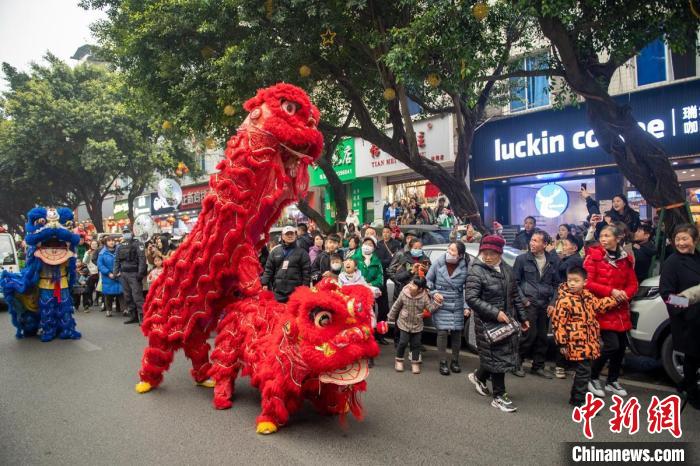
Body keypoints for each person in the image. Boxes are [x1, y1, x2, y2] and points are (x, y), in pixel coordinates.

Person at [465, 235, 528, 413]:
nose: (488, 256)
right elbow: (471, 298)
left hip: (506, 320)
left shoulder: (507, 269)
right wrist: (495, 313)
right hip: (487, 322)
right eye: (485, 252)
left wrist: (523, 319)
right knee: (498, 357)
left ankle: (479, 377)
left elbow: (515, 295)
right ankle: (499, 396)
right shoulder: (476, 270)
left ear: (499, 253)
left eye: (492, 253)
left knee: (495, 356)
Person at [550, 266, 618, 407]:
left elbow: (599, 305)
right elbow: (558, 323)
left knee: (583, 372)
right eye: (570, 280)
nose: (572, 283)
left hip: (589, 341)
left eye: (576, 280)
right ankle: (579, 401)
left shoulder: (588, 296)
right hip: (575, 343)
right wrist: (561, 344)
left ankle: (576, 398)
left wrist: (615, 300)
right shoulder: (564, 301)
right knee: (583, 372)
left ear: (585, 282)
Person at [584, 223, 638, 397]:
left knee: (621, 347)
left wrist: (624, 295)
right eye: (602, 236)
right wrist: (611, 292)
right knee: (611, 345)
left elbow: (633, 283)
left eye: (607, 236)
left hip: (621, 309)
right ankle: (592, 377)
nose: (604, 239)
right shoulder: (594, 256)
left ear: (618, 238)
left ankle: (612, 380)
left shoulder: (626, 258)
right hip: (602, 308)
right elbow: (587, 283)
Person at [659, 224, 700, 410]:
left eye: (685, 239)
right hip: (687, 319)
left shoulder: (698, 258)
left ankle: (685, 384)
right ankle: (691, 392)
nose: (681, 243)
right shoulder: (672, 262)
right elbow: (666, 294)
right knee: (692, 357)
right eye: (678, 239)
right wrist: (687, 304)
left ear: (695, 240)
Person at [512, 230, 561, 378]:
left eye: (536, 241)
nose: (532, 243)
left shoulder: (553, 261)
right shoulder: (522, 259)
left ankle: (538, 366)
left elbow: (556, 284)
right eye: (532, 240)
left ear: (544, 244)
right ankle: (517, 363)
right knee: (528, 335)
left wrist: (552, 303)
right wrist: (524, 300)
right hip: (529, 303)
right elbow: (515, 283)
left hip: (545, 304)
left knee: (542, 337)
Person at [426, 242, 471, 375]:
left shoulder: (465, 266)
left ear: (460, 255)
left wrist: (466, 306)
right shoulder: (438, 263)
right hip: (441, 303)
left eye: (453, 251)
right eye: (449, 249)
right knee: (442, 333)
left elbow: (467, 288)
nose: (449, 252)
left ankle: (455, 361)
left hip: (457, 302)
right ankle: (443, 362)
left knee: (457, 333)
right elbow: (428, 281)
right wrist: (434, 293)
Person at [388, 276, 442, 374]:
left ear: (420, 289)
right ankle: (399, 360)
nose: (410, 285)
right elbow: (396, 305)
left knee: (416, 344)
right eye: (410, 283)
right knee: (403, 342)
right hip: (404, 322)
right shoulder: (404, 293)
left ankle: (415, 362)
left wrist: (437, 303)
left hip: (417, 324)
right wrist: (391, 316)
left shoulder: (424, 296)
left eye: (413, 285)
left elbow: (430, 308)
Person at [261, 225, 311, 303]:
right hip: (278, 292)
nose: (290, 236)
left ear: (295, 235)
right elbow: (268, 269)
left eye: (292, 234)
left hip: (295, 293)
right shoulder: (275, 251)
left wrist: (305, 288)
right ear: (282, 236)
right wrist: (265, 283)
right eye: (287, 234)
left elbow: (306, 273)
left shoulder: (302, 253)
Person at [114, 227, 147, 325]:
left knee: (137, 296)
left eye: (127, 232)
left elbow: (142, 259)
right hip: (123, 274)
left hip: (134, 273)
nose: (126, 234)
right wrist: (116, 272)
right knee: (127, 296)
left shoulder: (138, 244)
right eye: (124, 232)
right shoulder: (119, 246)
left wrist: (140, 273)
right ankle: (133, 316)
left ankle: (142, 317)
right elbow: (116, 260)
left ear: (132, 233)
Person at [98, 236, 123, 318]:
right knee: (108, 294)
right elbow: (100, 265)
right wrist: (108, 273)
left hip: (119, 274)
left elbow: (123, 261)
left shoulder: (119, 250)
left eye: (113, 240)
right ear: (106, 242)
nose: (111, 242)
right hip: (107, 276)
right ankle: (109, 310)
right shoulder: (102, 253)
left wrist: (120, 271)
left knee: (121, 293)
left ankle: (124, 309)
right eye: (109, 241)